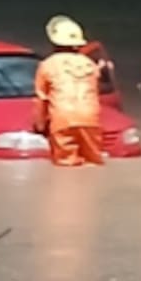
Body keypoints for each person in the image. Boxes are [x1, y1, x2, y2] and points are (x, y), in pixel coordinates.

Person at [34, 15, 104, 167]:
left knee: (66, 165)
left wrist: (39, 125)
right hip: (90, 118)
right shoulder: (90, 64)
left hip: (62, 119)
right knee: (93, 163)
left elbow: (41, 99)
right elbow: (95, 92)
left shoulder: (47, 65)